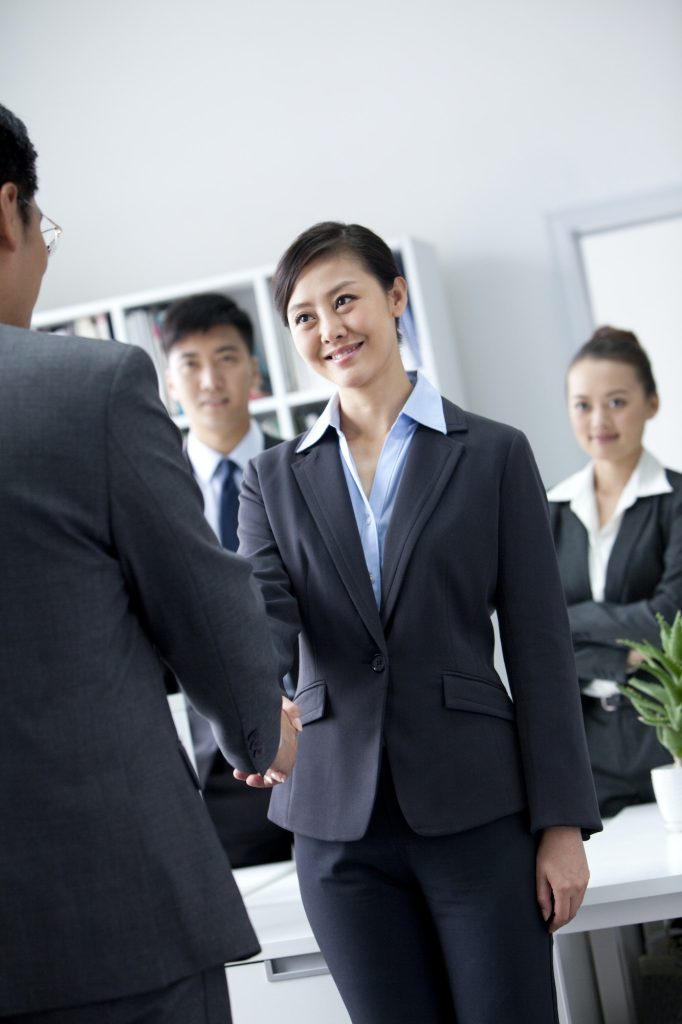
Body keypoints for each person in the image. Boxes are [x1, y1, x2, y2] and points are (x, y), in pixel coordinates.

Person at [234, 221, 602, 1024]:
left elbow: (541, 648)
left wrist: (563, 824)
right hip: (337, 832)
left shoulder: (494, 454)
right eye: (304, 316)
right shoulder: (272, 480)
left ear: (395, 298)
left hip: (477, 812)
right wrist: (254, 704)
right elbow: (261, 614)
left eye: (345, 301)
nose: (329, 330)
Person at [0, 103, 300, 1024]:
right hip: (103, 915)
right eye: (41, 227)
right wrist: (263, 728)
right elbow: (204, 604)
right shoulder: (83, 387)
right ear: (4, 212)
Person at [161, 292, 292, 867]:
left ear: (255, 371)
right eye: (190, 363)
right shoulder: (146, 488)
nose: (210, 379)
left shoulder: (300, 468)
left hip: (313, 741)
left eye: (227, 357)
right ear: (169, 381)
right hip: (205, 766)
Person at [548, 326, 681, 818]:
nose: (599, 420)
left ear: (652, 403)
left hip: (668, 736)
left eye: (618, 402)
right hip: (584, 750)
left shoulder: (677, 502)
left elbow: (669, 620)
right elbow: (533, 639)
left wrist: (569, 622)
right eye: (583, 405)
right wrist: (623, 659)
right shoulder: (548, 511)